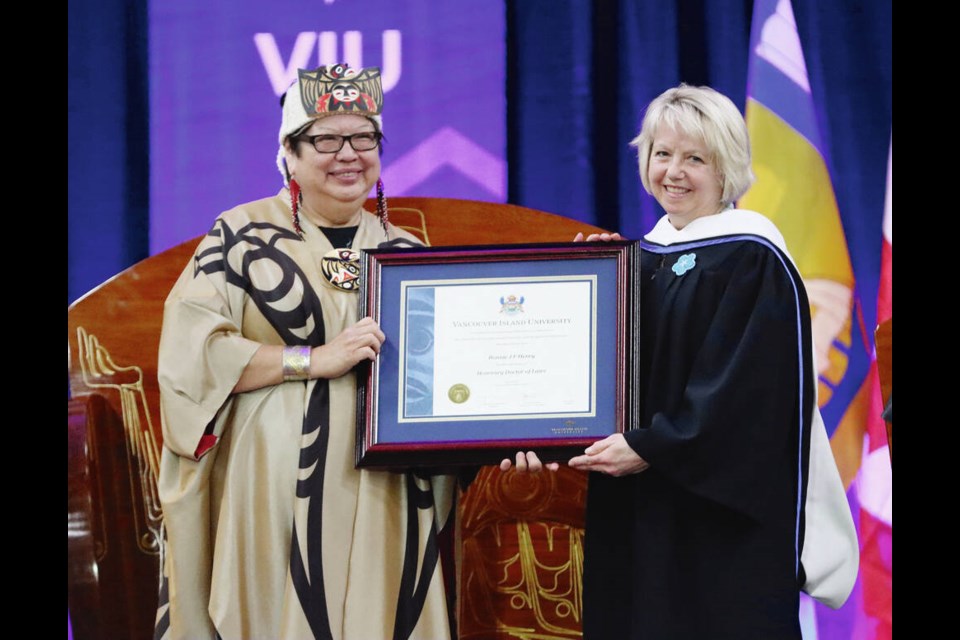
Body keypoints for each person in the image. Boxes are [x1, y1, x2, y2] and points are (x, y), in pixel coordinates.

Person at [504, 84, 859, 638]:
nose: (674, 170)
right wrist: (591, 288)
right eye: (661, 153)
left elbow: (745, 396)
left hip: (714, 527)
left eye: (696, 158)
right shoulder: (636, 259)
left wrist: (651, 446)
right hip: (637, 507)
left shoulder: (752, 257)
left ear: (728, 169)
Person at [153, 64, 465, 640]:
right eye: (326, 139)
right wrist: (311, 359)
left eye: (364, 138)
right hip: (273, 482)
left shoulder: (406, 251)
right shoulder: (241, 237)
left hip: (386, 491)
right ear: (289, 154)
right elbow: (191, 356)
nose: (348, 154)